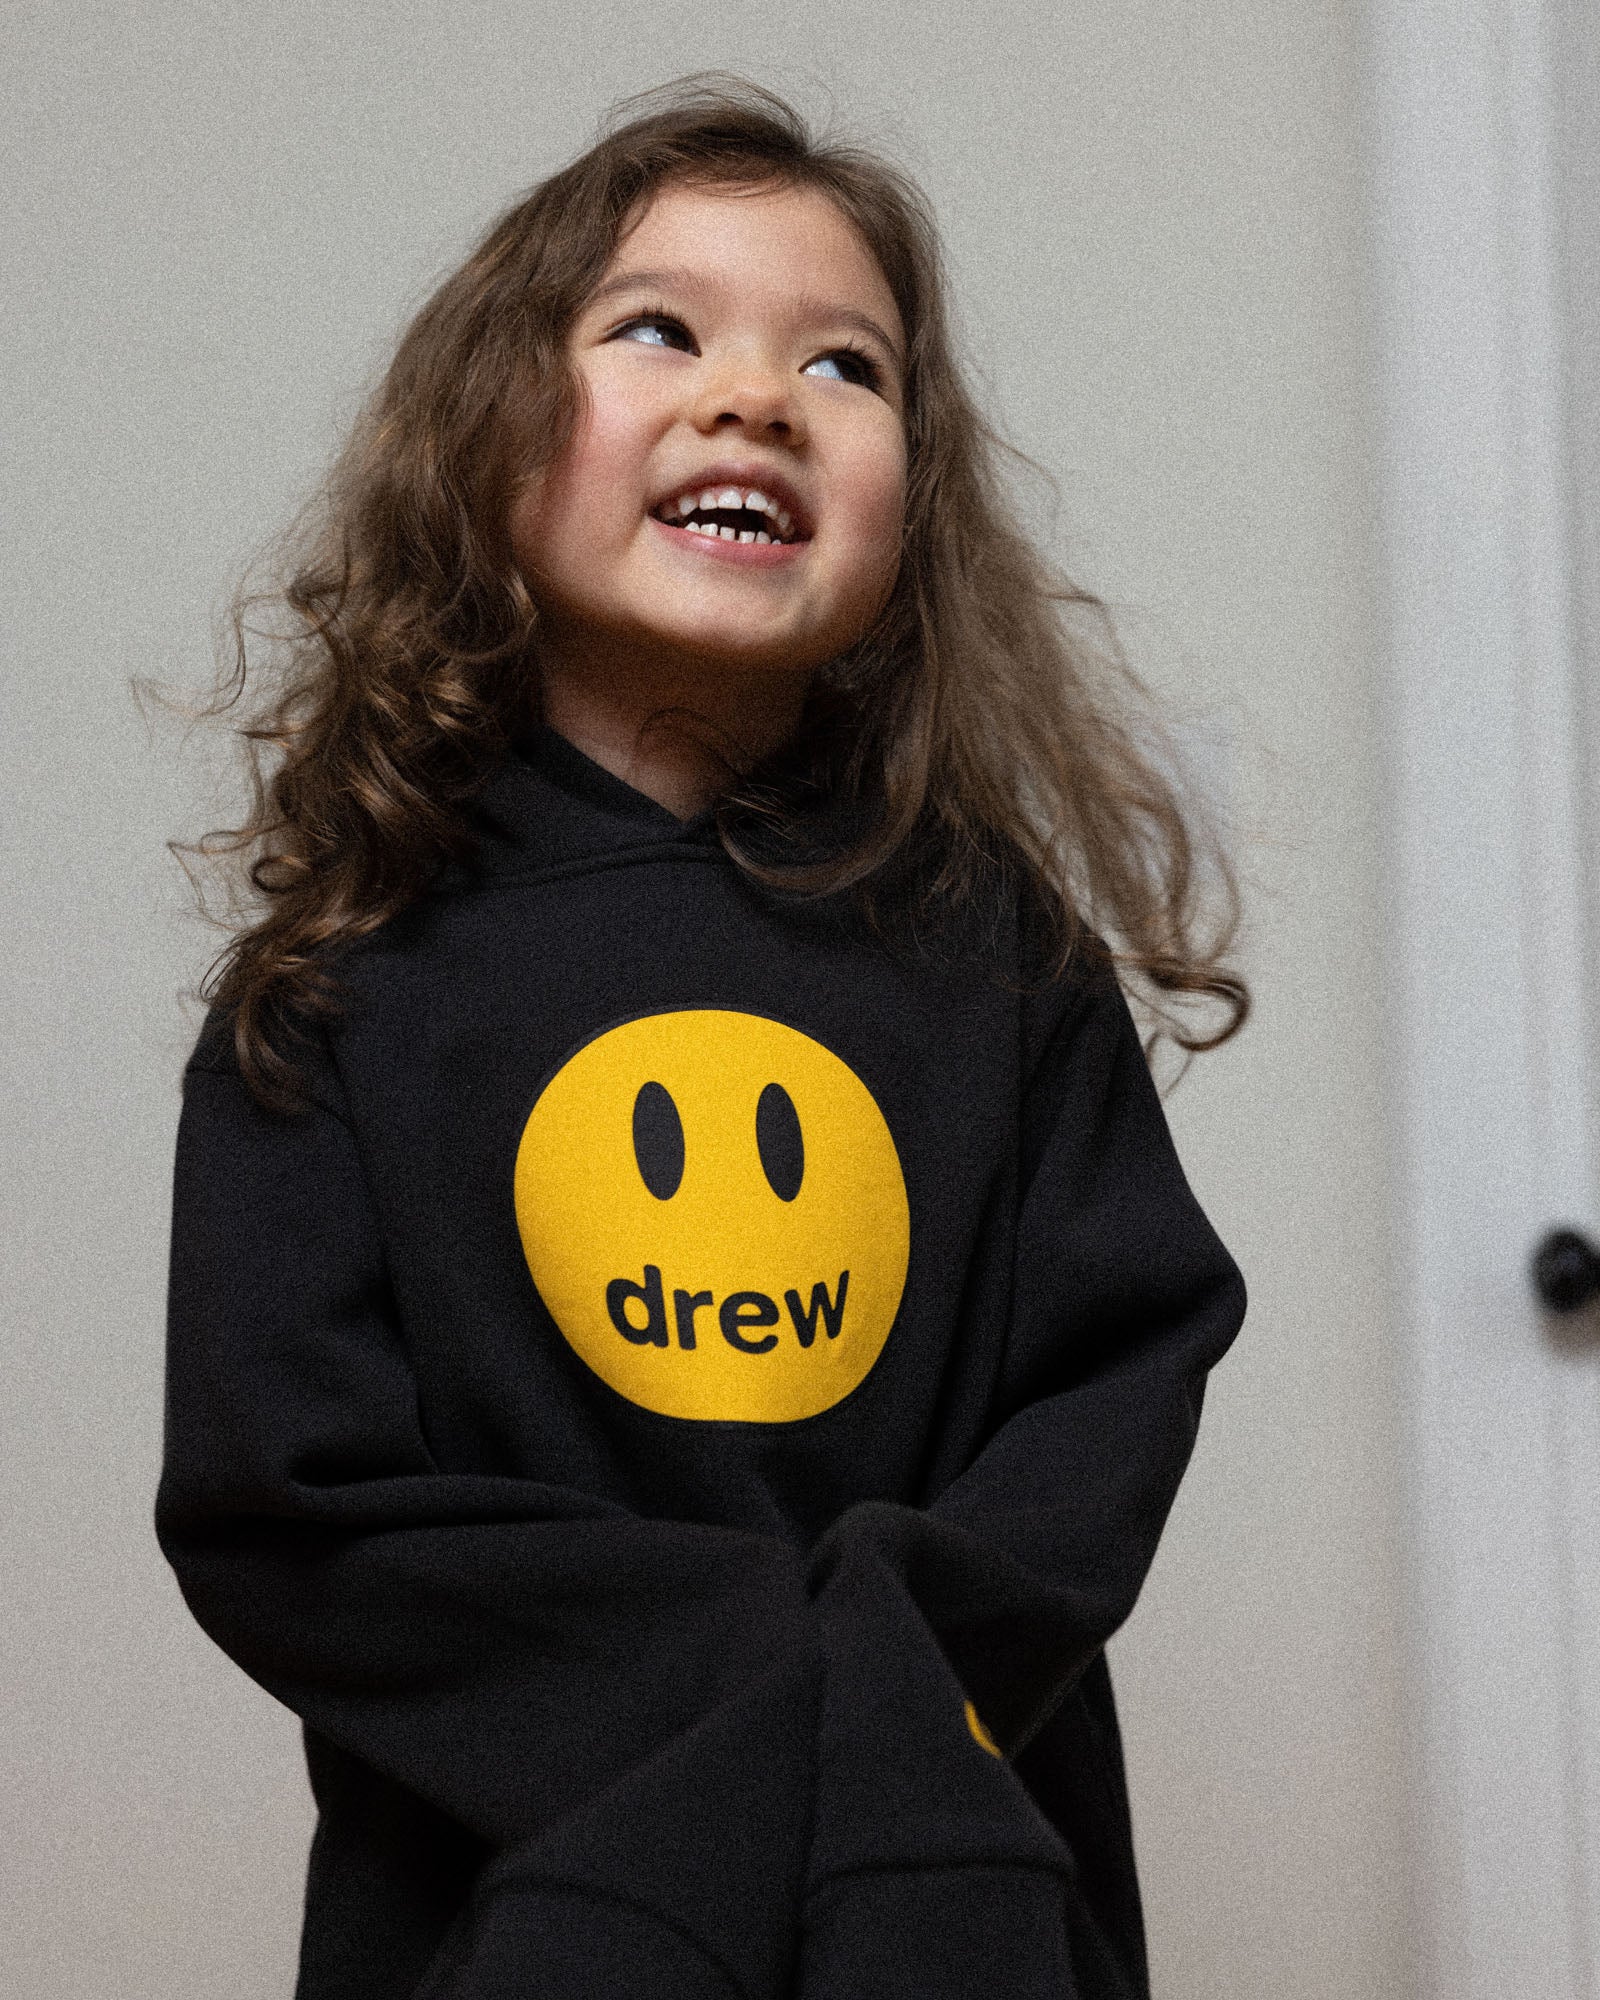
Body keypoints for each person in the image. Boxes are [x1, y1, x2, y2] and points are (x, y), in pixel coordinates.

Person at [156, 74, 1250, 2000]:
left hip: (950, 1900)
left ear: (915, 511)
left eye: (847, 365)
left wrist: (901, 1685)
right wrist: (771, 1671)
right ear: (482, 439)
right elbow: (285, 1503)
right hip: (516, 1922)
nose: (758, 396)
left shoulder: (1003, 962)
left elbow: (1116, 1376)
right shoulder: (342, 990)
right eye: (659, 328)